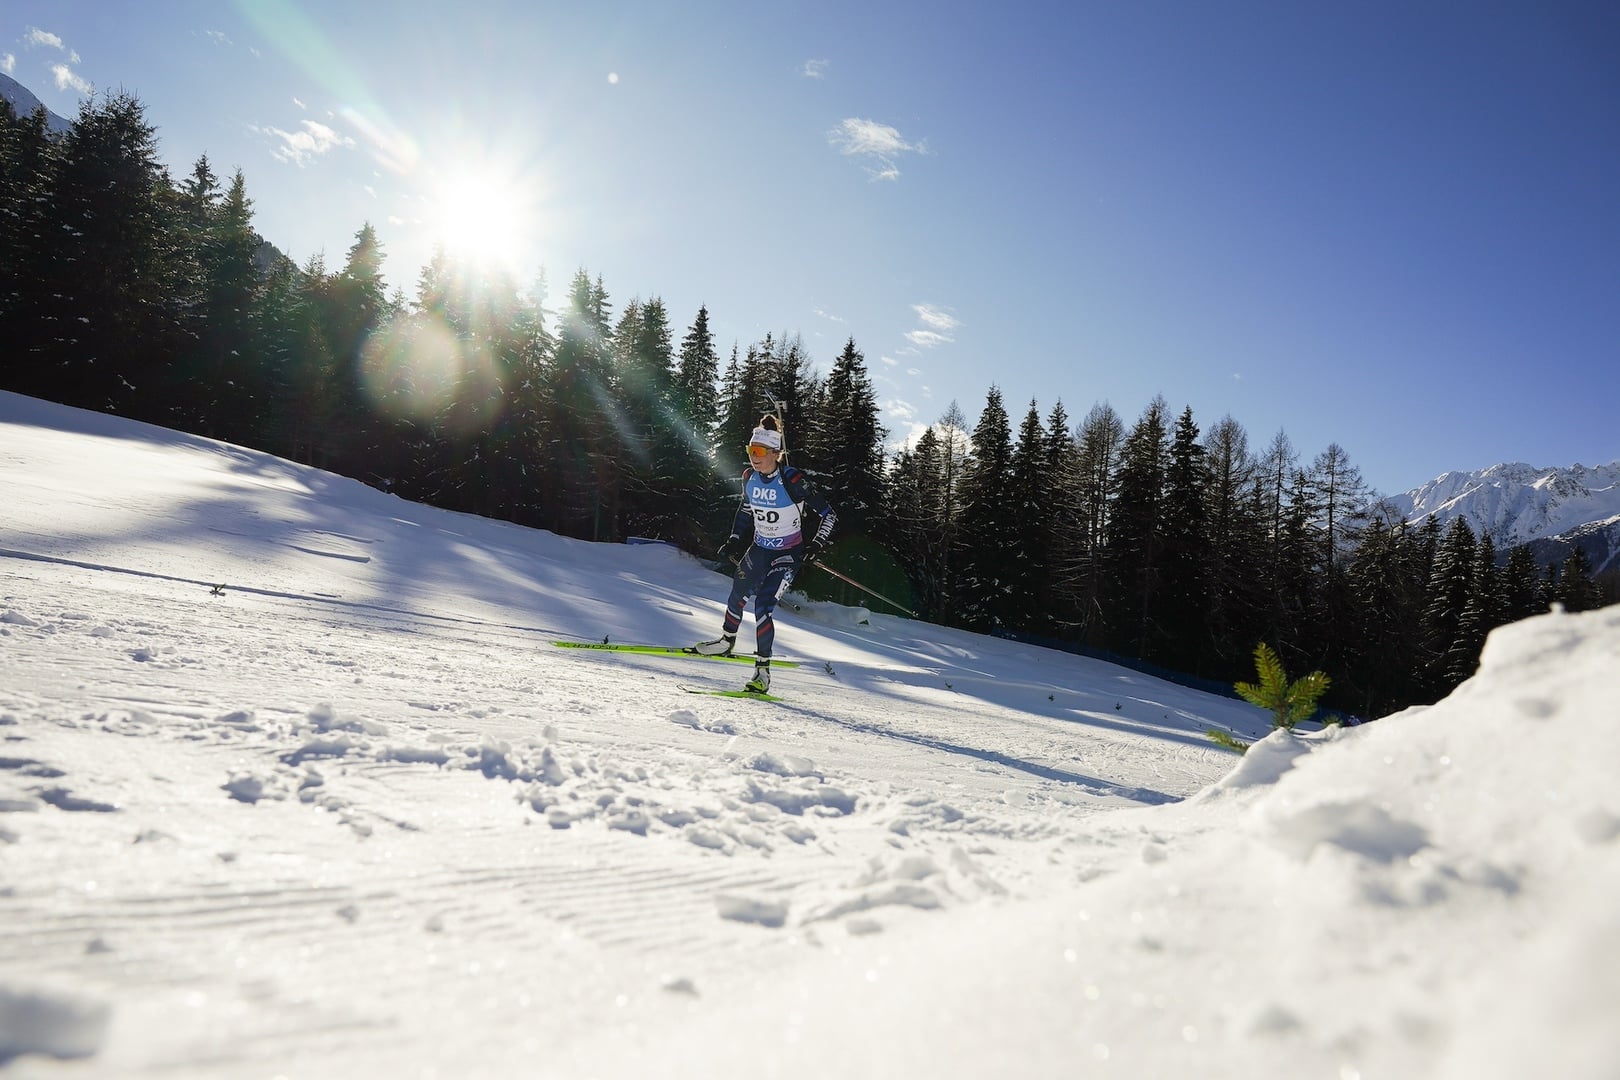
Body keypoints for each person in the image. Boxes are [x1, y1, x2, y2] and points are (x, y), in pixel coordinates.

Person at [691, 414, 836, 693]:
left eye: (759, 452)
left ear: (775, 453)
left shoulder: (792, 479)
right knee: (738, 592)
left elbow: (829, 515)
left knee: (763, 606)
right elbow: (746, 510)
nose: (753, 458)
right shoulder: (749, 478)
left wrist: (816, 545)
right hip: (759, 548)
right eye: (750, 451)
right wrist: (734, 539)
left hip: (787, 554)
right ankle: (726, 641)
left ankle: (762, 673)